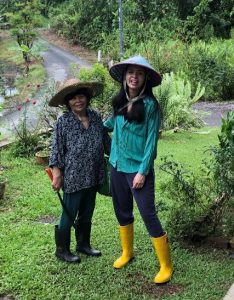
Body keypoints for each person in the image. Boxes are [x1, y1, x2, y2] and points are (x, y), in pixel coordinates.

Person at [104, 55, 173, 283]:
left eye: (139, 73)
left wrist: (142, 172)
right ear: (124, 76)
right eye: (131, 72)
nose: (134, 76)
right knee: (122, 211)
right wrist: (90, 121)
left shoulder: (151, 106)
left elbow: (151, 142)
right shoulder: (119, 102)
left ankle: (166, 265)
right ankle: (127, 252)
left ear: (145, 79)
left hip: (137, 170)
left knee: (148, 214)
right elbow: (112, 124)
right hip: (116, 166)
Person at [49, 78, 111, 263]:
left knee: (87, 210)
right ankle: (62, 249)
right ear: (68, 102)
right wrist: (57, 174)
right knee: (69, 212)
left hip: (94, 173)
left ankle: (83, 244)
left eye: (81, 96)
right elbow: (56, 150)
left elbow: (106, 141)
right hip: (73, 176)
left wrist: (119, 156)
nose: (78, 101)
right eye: (73, 98)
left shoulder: (95, 117)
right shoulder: (64, 122)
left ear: (87, 98)